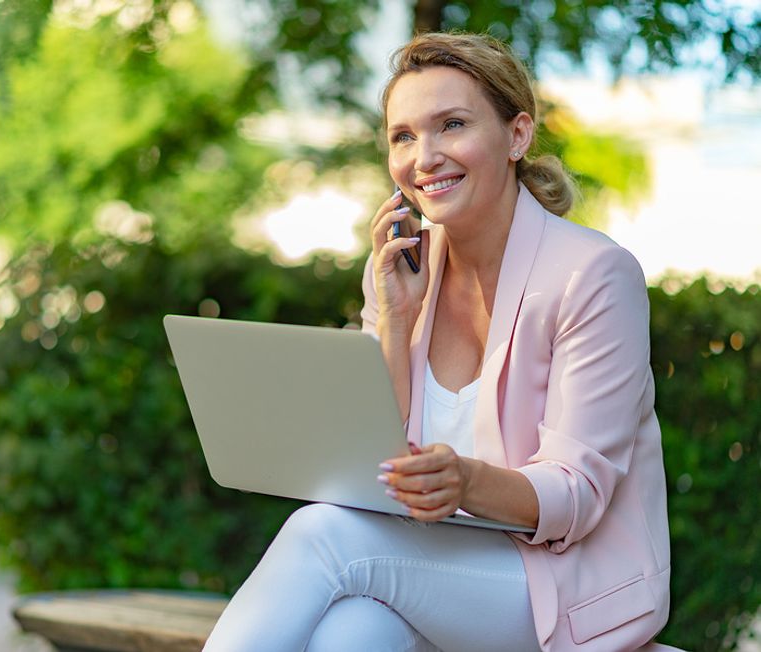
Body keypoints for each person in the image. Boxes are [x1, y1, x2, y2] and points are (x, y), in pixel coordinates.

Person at [203, 31, 670, 652]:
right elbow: (364, 465)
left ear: (517, 136)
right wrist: (396, 318)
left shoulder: (593, 274)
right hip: (435, 570)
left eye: (451, 125)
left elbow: (577, 492)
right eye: (403, 136)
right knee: (351, 634)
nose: (424, 157)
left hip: (558, 587)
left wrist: (467, 482)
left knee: (322, 536)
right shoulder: (400, 270)